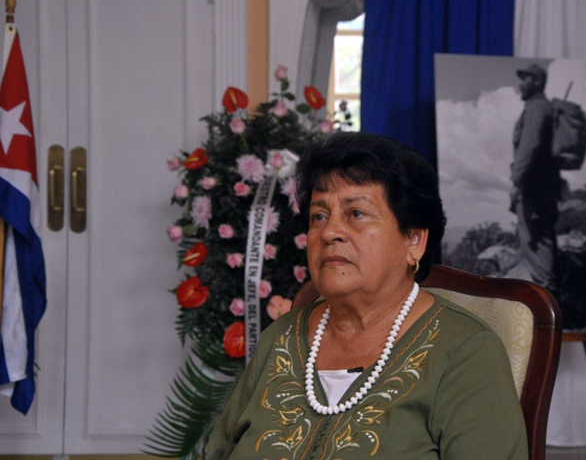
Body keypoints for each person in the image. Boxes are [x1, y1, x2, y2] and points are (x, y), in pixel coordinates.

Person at [206, 132, 527, 460]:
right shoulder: (281, 337)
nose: (329, 232)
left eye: (356, 213)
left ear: (413, 240)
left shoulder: (465, 352)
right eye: (319, 216)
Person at [510, 63, 561, 293]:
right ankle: (543, 294)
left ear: (538, 82)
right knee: (537, 237)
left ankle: (545, 297)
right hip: (541, 185)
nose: (521, 84)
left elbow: (529, 146)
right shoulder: (540, 107)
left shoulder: (537, 107)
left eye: (526, 79)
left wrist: (516, 179)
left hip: (534, 186)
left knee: (537, 239)